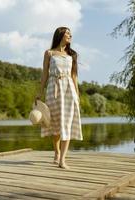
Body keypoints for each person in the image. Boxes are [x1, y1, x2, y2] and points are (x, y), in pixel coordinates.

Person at [36, 26, 83, 169]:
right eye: (67, 33)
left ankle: (62, 160)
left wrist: (77, 93)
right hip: (53, 88)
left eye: (70, 33)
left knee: (67, 123)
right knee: (55, 123)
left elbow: (74, 75)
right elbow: (45, 73)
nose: (70, 35)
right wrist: (40, 92)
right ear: (60, 35)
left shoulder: (72, 55)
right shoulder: (49, 53)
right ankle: (56, 152)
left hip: (68, 89)